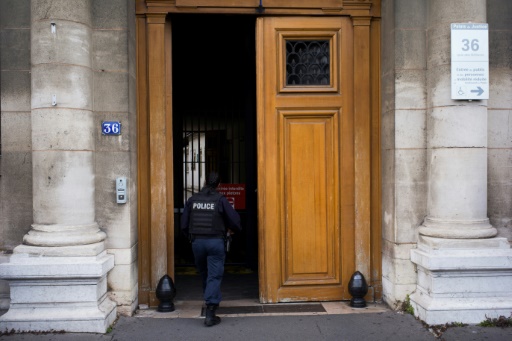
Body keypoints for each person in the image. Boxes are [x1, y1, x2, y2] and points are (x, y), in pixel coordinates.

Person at [180, 171, 242, 327]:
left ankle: (210, 301)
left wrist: (192, 237)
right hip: (215, 243)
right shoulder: (220, 200)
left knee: (205, 274)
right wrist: (233, 229)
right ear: (219, 184)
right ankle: (210, 312)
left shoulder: (192, 200)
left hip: (197, 243)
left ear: (205, 182)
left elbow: (183, 224)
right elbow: (234, 220)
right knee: (214, 276)